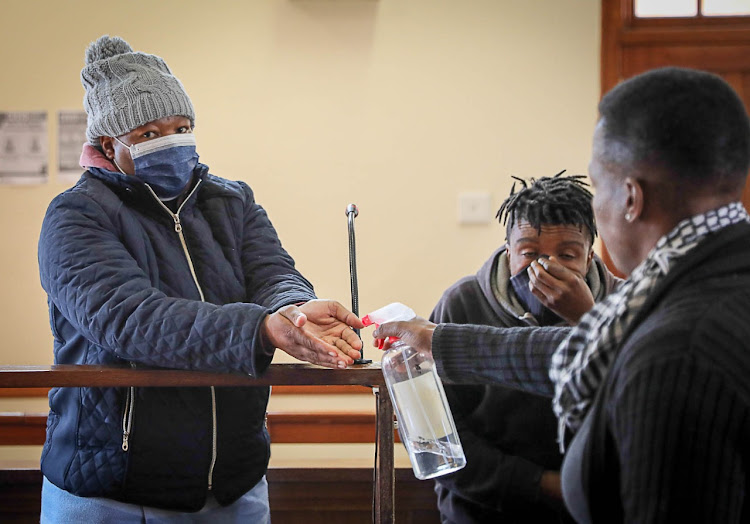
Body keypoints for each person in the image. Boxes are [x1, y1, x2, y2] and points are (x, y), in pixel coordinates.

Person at [374, 67, 750, 523]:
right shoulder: (708, 278)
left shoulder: (677, 347)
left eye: (598, 184)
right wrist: (438, 340)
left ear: (631, 199)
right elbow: (576, 350)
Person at [37, 35, 364, 522]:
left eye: (182, 127)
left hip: (235, 488)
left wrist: (295, 311)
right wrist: (261, 329)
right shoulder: (77, 216)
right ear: (109, 144)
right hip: (114, 494)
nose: (172, 141)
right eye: (150, 134)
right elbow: (130, 319)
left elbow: (274, 274)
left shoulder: (230, 202)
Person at [432, 172, 620, 523]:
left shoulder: (622, 305)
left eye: (567, 254)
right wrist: (539, 485)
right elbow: (439, 435)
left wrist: (588, 319)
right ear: (509, 251)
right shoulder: (462, 304)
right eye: (529, 253)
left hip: (589, 505)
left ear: (590, 257)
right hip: (480, 510)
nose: (545, 268)